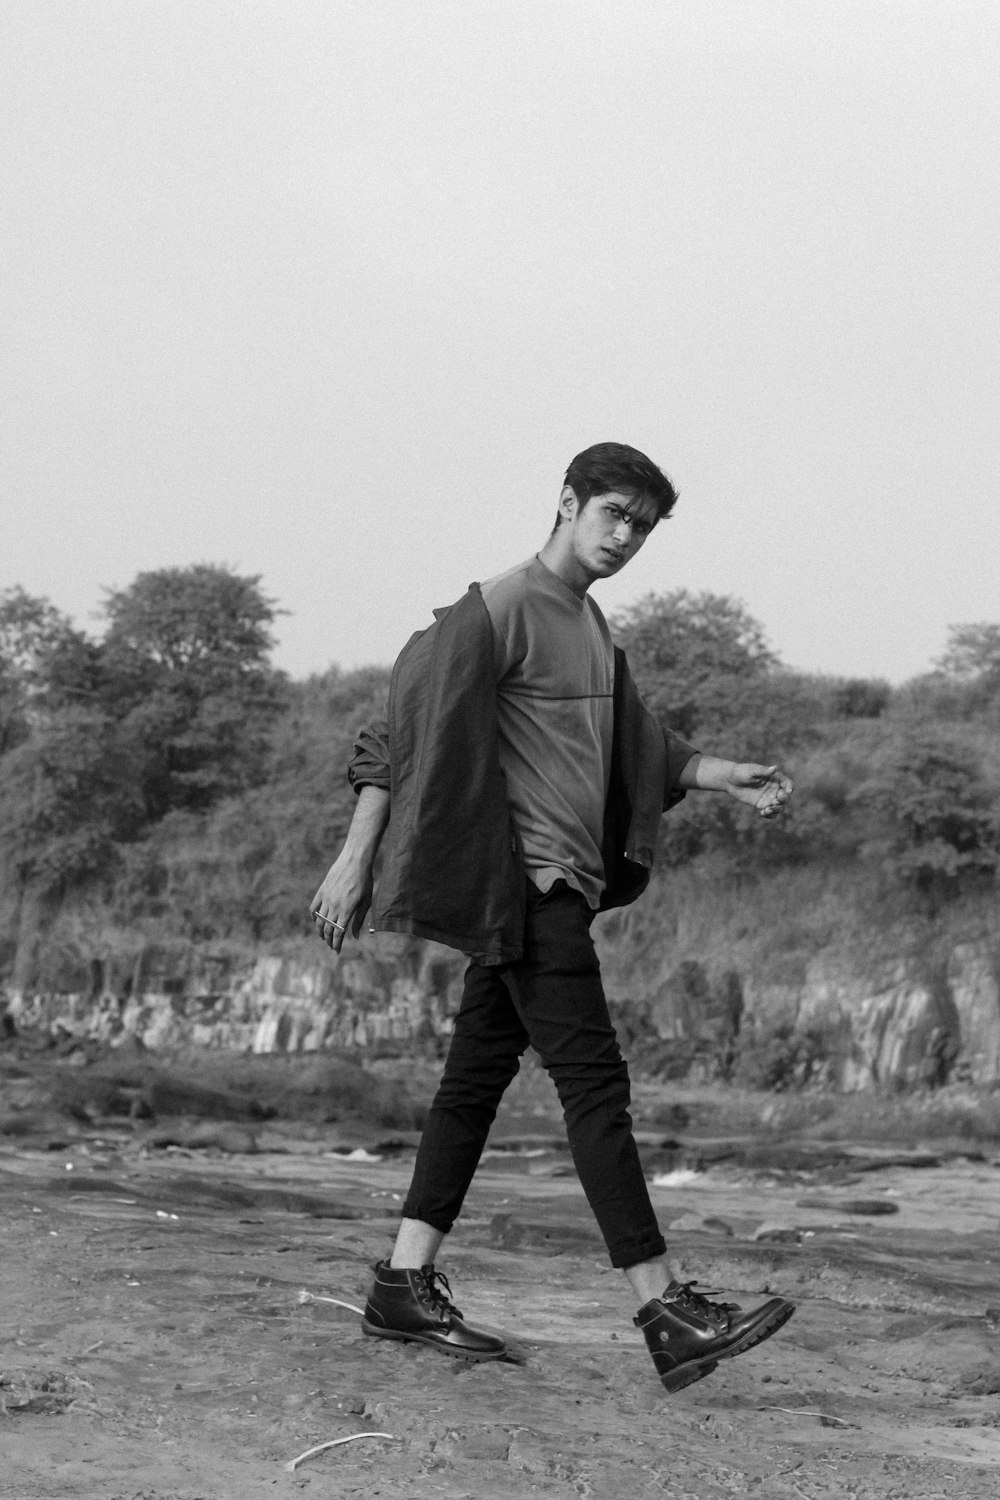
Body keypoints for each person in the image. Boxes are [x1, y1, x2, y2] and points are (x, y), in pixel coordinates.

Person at [311, 442, 795, 1394]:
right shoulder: (502, 605)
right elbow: (396, 722)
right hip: (526, 885)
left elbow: (636, 742)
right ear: (567, 503)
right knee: (594, 1088)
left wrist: (721, 775)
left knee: (471, 1086)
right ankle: (663, 1309)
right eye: (614, 514)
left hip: (555, 885)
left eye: (643, 528)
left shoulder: (588, 623)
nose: (626, 538)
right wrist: (355, 854)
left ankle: (403, 1285)